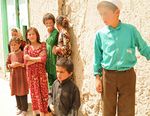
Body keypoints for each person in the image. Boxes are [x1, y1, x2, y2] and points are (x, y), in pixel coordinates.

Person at [94, 0, 150, 116]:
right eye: (101, 14)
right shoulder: (100, 34)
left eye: (106, 13)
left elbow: (144, 48)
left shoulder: (130, 30)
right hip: (107, 76)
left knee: (127, 111)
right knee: (107, 110)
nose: (103, 17)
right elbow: (97, 57)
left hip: (127, 76)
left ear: (117, 12)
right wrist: (97, 78)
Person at [24, 27, 49, 116]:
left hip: (41, 74)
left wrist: (31, 58)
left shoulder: (43, 45)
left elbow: (43, 58)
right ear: (27, 36)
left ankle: (44, 113)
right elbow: (26, 63)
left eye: (33, 34)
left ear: (37, 35)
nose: (31, 36)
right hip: (31, 75)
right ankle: (37, 113)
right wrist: (37, 59)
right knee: (34, 94)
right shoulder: (26, 48)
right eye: (29, 34)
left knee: (43, 94)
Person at [6, 37, 28, 116]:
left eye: (15, 45)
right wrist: (10, 65)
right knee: (16, 91)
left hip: (22, 76)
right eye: (12, 45)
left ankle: (24, 109)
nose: (13, 46)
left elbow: (26, 64)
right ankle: (19, 107)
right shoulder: (10, 55)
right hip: (14, 77)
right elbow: (7, 64)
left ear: (19, 44)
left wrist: (19, 64)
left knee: (22, 92)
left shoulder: (23, 54)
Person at [43, 13, 59, 89]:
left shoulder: (55, 32)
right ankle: (51, 96)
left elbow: (50, 42)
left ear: (53, 23)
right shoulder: (46, 33)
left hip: (54, 58)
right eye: (46, 23)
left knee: (56, 77)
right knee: (49, 78)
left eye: (50, 23)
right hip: (48, 59)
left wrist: (48, 33)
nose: (48, 25)